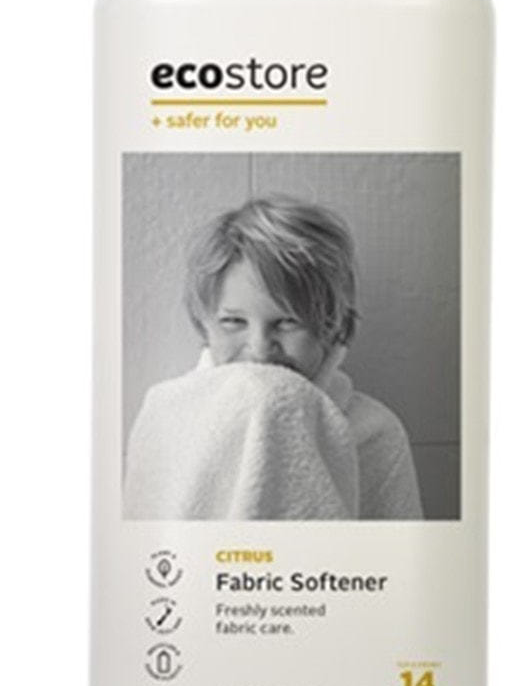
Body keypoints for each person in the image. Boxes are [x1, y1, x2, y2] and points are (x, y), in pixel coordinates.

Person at [177, 194, 423, 520]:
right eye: (233, 321)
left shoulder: (374, 433)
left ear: (332, 326)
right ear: (203, 324)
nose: (260, 349)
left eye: (288, 322)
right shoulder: (175, 419)